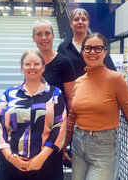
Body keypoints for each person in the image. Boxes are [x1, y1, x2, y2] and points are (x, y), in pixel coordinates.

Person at [63, 33, 128, 180]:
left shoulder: (116, 79)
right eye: (88, 48)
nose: (92, 52)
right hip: (78, 144)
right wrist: (64, 145)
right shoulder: (79, 82)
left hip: (104, 147)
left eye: (98, 48)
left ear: (105, 52)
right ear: (82, 52)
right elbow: (73, 116)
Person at [0, 50, 67, 180]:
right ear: (22, 67)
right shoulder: (9, 94)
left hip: (46, 164)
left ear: (43, 67)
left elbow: (60, 126)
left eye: (36, 64)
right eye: (27, 64)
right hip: (11, 164)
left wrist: (41, 158)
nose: (32, 67)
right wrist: (10, 157)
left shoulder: (55, 94)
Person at [32, 18, 76, 179]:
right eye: (39, 34)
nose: (43, 38)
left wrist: (67, 133)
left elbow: (70, 99)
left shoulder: (64, 62)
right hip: (35, 128)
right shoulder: (32, 62)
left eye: (47, 33)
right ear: (34, 38)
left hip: (56, 129)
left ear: (52, 35)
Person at [58, 8, 116, 79]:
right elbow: (59, 72)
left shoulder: (98, 45)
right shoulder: (63, 47)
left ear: (88, 23)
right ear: (70, 23)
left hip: (96, 87)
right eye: (76, 19)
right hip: (71, 89)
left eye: (83, 19)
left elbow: (111, 69)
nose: (80, 22)